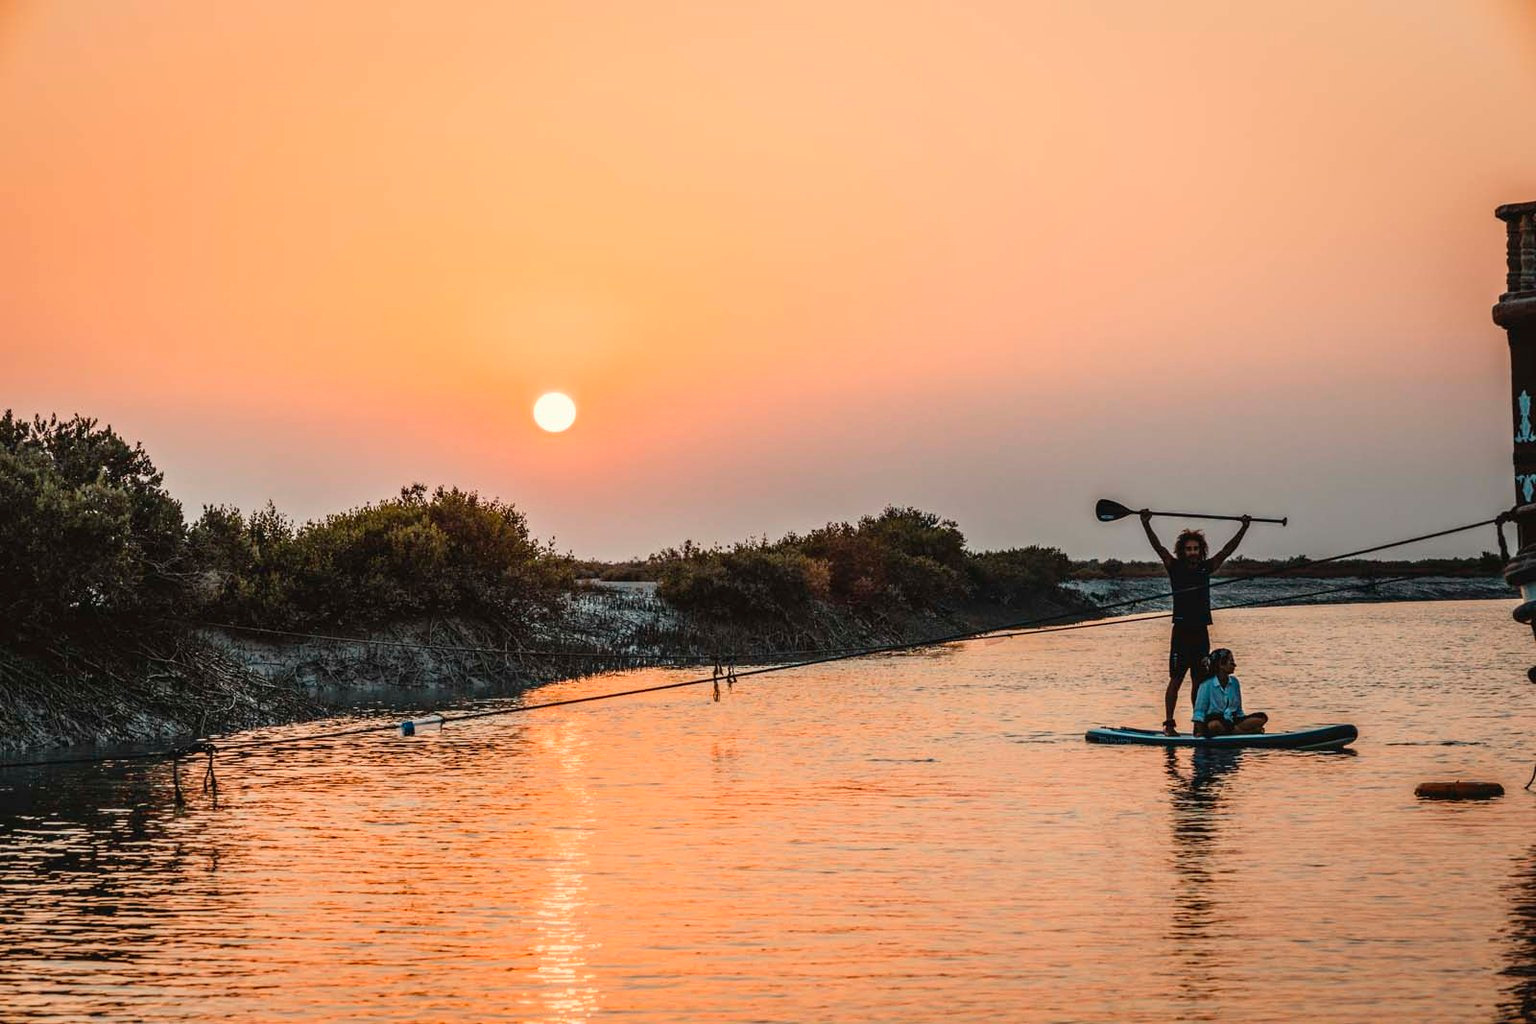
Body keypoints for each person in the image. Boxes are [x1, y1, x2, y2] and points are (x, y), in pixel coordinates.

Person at [1141, 509, 1251, 735]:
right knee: (1176, 679)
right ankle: (1169, 724)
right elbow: (1158, 548)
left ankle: (1197, 725)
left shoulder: (1206, 568)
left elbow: (1227, 551)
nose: (1192, 552)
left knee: (1199, 681)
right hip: (1181, 632)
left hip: (1201, 632)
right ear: (1183, 551)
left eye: (1195, 549)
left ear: (1201, 551)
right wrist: (1146, 524)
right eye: (1188, 549)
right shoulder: (1175, 567)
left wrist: (1244, 528)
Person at [1192, 648, 1268, 737]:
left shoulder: (1235, 682)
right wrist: (1200, 731)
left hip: (1232, 721)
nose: (1234, 665)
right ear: (1221, 665)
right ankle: (1246, 733)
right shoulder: (1206, 685)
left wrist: (1245, 722)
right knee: (1214, 725)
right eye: (1231, 661)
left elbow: (1239, 711)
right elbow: (1199, 712)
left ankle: (1236, 731)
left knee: (1262, 717)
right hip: (1214, 722)